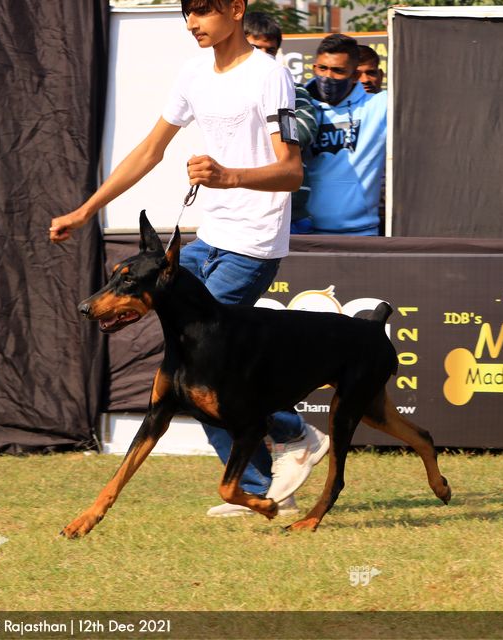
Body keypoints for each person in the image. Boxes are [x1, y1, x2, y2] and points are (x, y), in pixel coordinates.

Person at [49, 0, 328, 516]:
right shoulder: (193, 73)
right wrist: (86, 210)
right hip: (206, 240)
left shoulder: (270, 76)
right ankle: (262, 486)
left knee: (200, 366)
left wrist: (229, 176)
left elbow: (291, 172)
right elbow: (149, 151)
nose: (192, 23)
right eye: (187, 13)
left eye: (202, 11)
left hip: (253, 243)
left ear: (236, 9)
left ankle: (293, 437)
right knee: (190, 366)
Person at [304, 34, 387, 235]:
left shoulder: (378, 106)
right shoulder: (299, 107)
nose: (328, 77)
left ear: (355, 75)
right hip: (305, 233)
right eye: (322, 68)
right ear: (314, 68)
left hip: (362, 233)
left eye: (338, 70)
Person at [243, 11, 318, 233]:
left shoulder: (294, 90)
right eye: (256, 47)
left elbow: (302, 132)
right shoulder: (226, 90)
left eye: (270, 50)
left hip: (293, 214)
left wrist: (255, 130)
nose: (264, 56)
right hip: (247, 212)